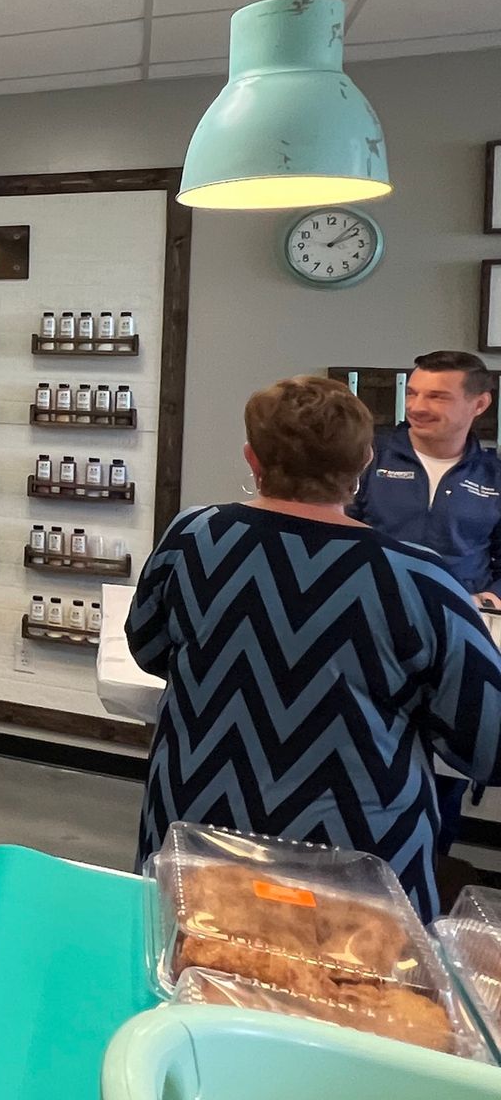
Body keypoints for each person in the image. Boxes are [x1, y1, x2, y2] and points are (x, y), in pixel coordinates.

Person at [128, 375, 501, 921]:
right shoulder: (420, 577)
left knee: (181, 976)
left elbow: (148, 646)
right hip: (353, 866)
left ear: (253, 458)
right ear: (366, 461)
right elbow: (486, 743)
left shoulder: (193, 536)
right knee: (340, 999)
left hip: (193, 837)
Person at [351, 350, 501, 607]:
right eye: (412, 393)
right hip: (375, 607)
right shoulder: (367, 458)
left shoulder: (494, 475)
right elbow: (334, 534)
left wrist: (492, 597)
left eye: (437, 397)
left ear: (479, 404)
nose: (417, 407)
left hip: (462, 616)